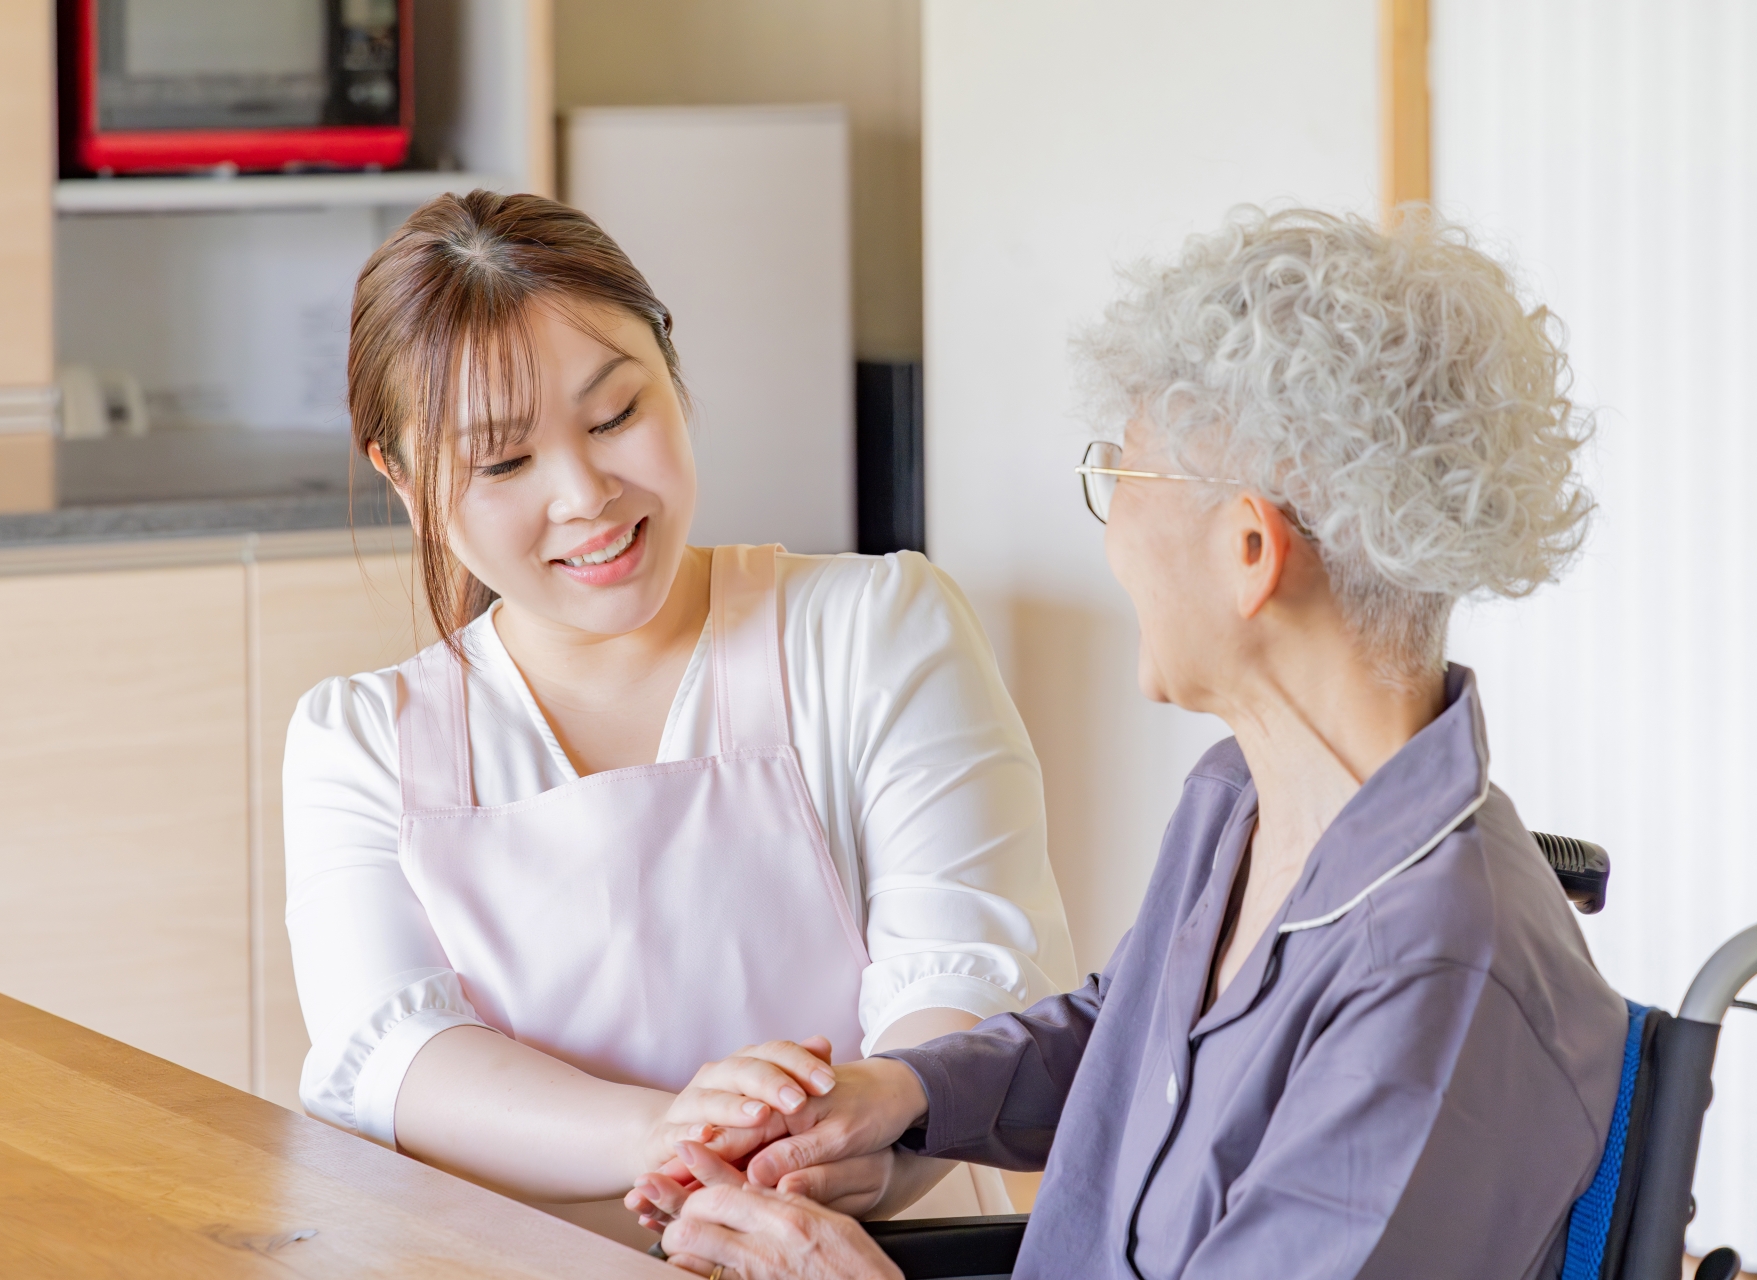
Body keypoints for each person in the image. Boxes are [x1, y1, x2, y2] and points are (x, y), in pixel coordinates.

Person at [626, 207, 1629, 1279]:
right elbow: (1136, 1032)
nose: (1108, 534)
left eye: (1126, 475)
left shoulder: (1435, 973)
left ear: (1250, 550)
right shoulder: (1243, 794)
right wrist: (904, 1092)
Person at [281, 191, 1076, 1241]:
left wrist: (847, 1148)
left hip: (877, 1250)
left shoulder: (877, 628)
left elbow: (973, 966)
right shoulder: (360, 742)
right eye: (505, 461)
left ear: (670, 366)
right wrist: (668, 1135)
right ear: (406, 477)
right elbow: (389, 1049)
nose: (586, 493)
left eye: (616, 415)